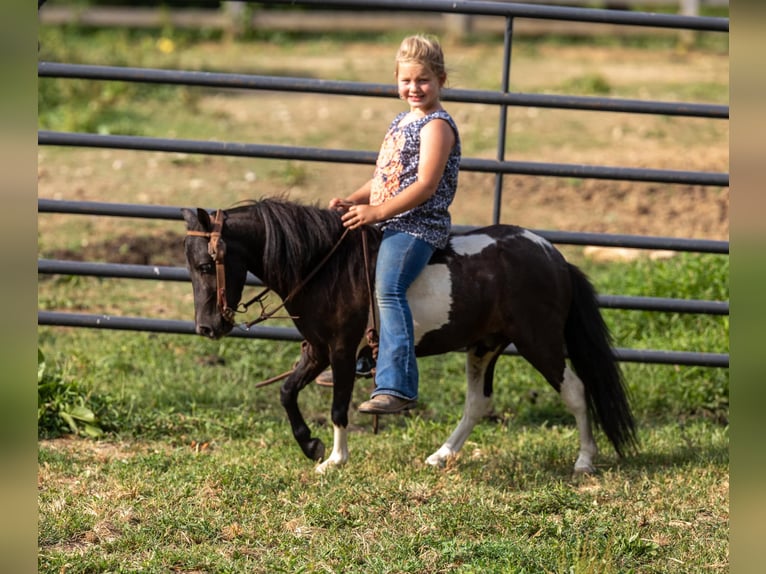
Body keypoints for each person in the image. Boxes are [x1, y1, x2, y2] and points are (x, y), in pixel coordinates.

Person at [329, 34, 461, 415]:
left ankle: (397, 384)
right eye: (406, 80)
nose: (414, 88)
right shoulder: (402, 121)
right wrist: (355, 200)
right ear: (396, 80)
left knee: (388, 288)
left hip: (418, 225)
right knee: (347, 273)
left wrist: (378, 213)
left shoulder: (436, 126)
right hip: (388, 219)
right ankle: (359, 355)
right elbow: (386, 177)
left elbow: (425, 184)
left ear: (441, 81)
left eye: (423, 80)